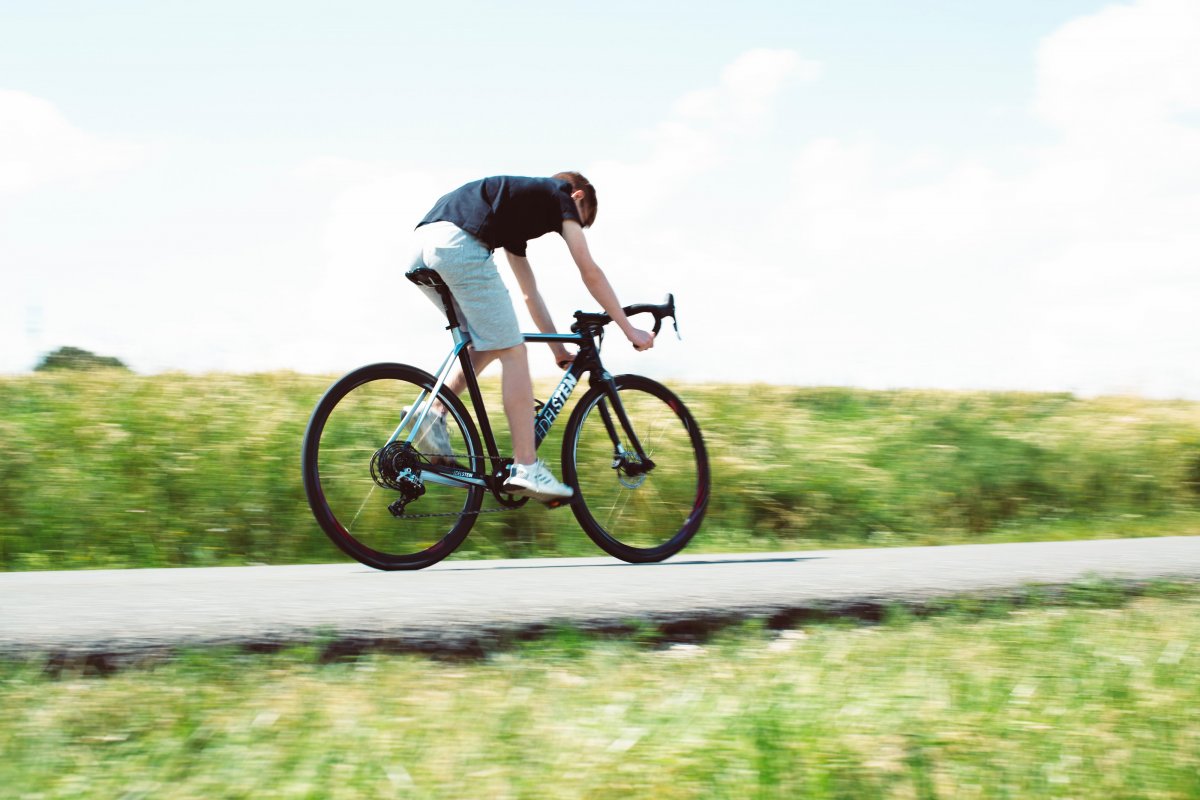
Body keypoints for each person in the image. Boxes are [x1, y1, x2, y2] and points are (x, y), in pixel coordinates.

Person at [406, 172, 655, 502]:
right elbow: (588, 270)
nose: (574, 229)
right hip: (458, 246)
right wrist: (629, 328)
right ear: (578, 197)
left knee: (488, 339)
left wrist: (557, 350)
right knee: (514, 352)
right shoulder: (560, 193)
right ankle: (527, 466)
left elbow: (529, 293)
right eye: (581, 222)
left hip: (423, 245)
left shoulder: (514, 213)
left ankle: (431, 413)